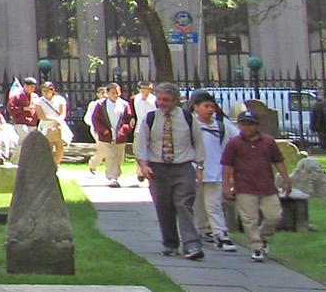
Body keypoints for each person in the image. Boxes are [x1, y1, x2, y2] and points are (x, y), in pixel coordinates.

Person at [135, 83, 204, 259]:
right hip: (158, 169)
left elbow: (199, 142)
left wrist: (200, 166)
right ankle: (170, 243)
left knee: (184, 205)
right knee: (164, 207)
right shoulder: (151, 118)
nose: (161, 103)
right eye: (159, 99)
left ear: (175, 100)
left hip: (183, 167)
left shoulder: (188, 118)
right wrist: (143, 165)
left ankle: (192, 245)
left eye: (166, 99)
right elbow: (141, 143)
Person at [223, 110, 290, 262]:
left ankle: (263, 236)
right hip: (244, 186)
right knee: (249, 218)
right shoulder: (234, 143)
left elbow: (278, 161)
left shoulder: (268, 141)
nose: (247, 128)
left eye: (250, 124)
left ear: (257, 126)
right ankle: (256, 246)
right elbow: (227, 165)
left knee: (274, 215)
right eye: (243, 124)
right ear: (239, 125)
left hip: (266, 185)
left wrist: (286, 179)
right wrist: (226, 186)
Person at [189, 91, 238, 252]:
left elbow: (233, 141)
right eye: (206, 106)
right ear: (196, 107)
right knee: (196, 206)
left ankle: (220, 234)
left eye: (212, 106)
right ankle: (196, 233)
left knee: (214, 205)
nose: (210, 110)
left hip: (215, 171)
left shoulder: (220, 125)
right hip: (194, 170)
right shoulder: (189, 123)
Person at [91, 83, 134, 187]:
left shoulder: (124, 105)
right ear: (107, 93)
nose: (116, 95)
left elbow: (129, 120)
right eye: (113, 93)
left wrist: (125, 129)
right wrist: (103, 130)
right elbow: (95, 119)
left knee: (119, 157)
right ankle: (112, 178)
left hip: (120, 136)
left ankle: (115, 175)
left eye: (118, 92)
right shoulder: (101, 105)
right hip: (105, 136)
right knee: (110, 156)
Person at [36, 82, 71, 163]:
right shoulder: (39, 101)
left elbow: (63, 113)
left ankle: (56, 163)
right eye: (43, 91)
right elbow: (41, 116)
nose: (45, 93)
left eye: (47, 90)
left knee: (59, 146)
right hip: (46, 125)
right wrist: (52, 119)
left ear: (52, 90)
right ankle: (48, 164)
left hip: (58, 124)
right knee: (48, 146)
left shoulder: (60, 99)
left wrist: (57, 122)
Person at [84, 86, 108, 172]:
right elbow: (88, 118)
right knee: (103, 148)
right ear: (98, 94)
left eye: (106, 92)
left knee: (109, 149)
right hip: (97, 130)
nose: (105, 95)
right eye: (102, 93)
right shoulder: (94, 104)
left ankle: (109, 169)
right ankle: (93, 163)